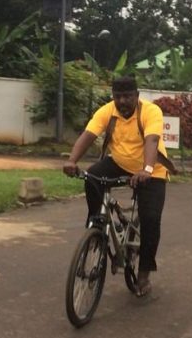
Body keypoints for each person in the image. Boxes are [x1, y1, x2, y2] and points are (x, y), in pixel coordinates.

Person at [62, 76, 171, 297]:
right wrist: (72, 161)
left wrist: (147, 170)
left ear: (137, 96)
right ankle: (97, 226)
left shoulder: (151, 112)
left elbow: (151, 141)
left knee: (150, 220)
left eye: (127, 96)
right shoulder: (107, 112)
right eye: (118, 96)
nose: (122, 101)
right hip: (120, 162)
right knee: (92, 176)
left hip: (152, 169)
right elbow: (88, 135)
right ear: (113, 96)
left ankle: (144, 273)